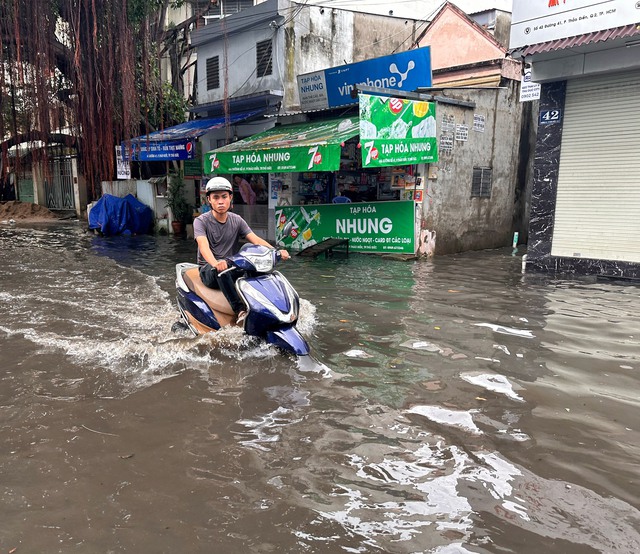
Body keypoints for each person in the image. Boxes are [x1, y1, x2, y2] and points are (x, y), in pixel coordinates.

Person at [193, 177, 290, 325]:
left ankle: (269, 305)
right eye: (216, 197)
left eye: (224, 197)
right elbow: (203, 245)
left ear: (230, 198)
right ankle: (240, 311)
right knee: (222, 271)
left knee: (255, 264)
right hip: (209, 269)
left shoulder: (237, 220)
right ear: (209, 200)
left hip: (231, 266)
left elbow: (256, 240)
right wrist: (215, 263)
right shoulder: (201, 221)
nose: (220, 201)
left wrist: (276, 251)